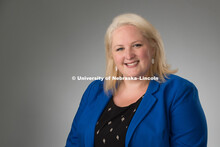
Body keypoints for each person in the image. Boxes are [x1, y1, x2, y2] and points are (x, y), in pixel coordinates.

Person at [65, 13, 207, 147]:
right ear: (112, 56)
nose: (129, 55)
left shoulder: (179, 92)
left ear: (153, 48)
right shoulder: (94, 90)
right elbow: (74, 142)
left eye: (137, 45)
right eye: (120, 48)